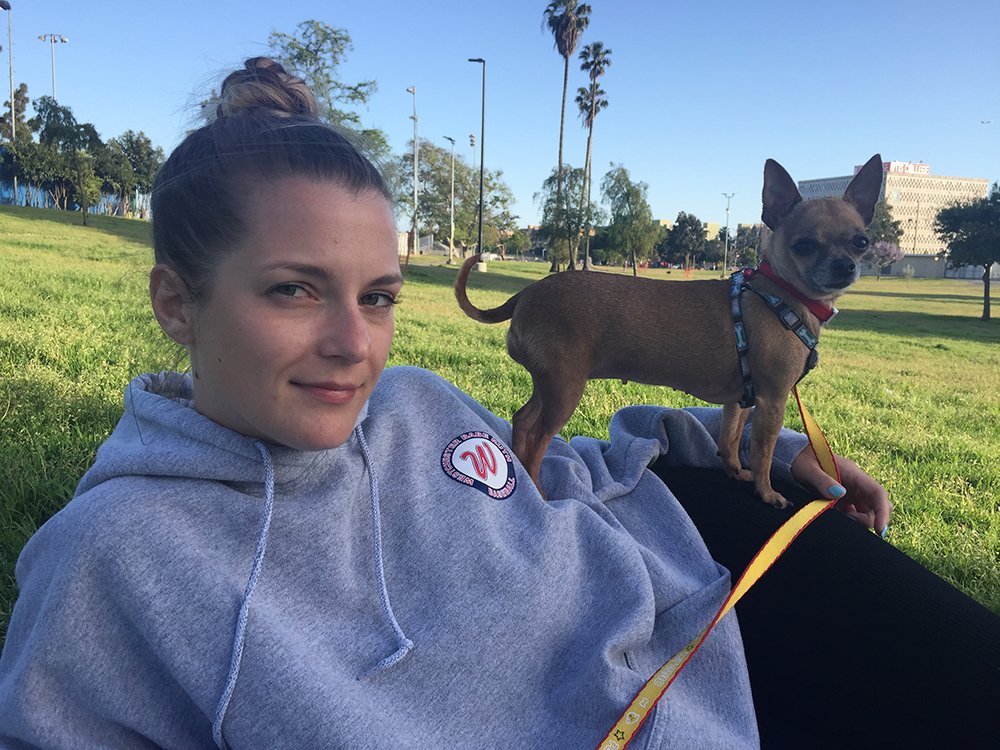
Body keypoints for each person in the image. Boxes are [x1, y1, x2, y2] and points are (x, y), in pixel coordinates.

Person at [0, 57, 953, 749]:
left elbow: (565, 460)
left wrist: (767, 452)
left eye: (376, 296)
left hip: (685, 574)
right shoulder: (116, 558)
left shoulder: (409, 403)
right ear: (176, 302)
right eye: (294, 289)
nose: (354, 344)